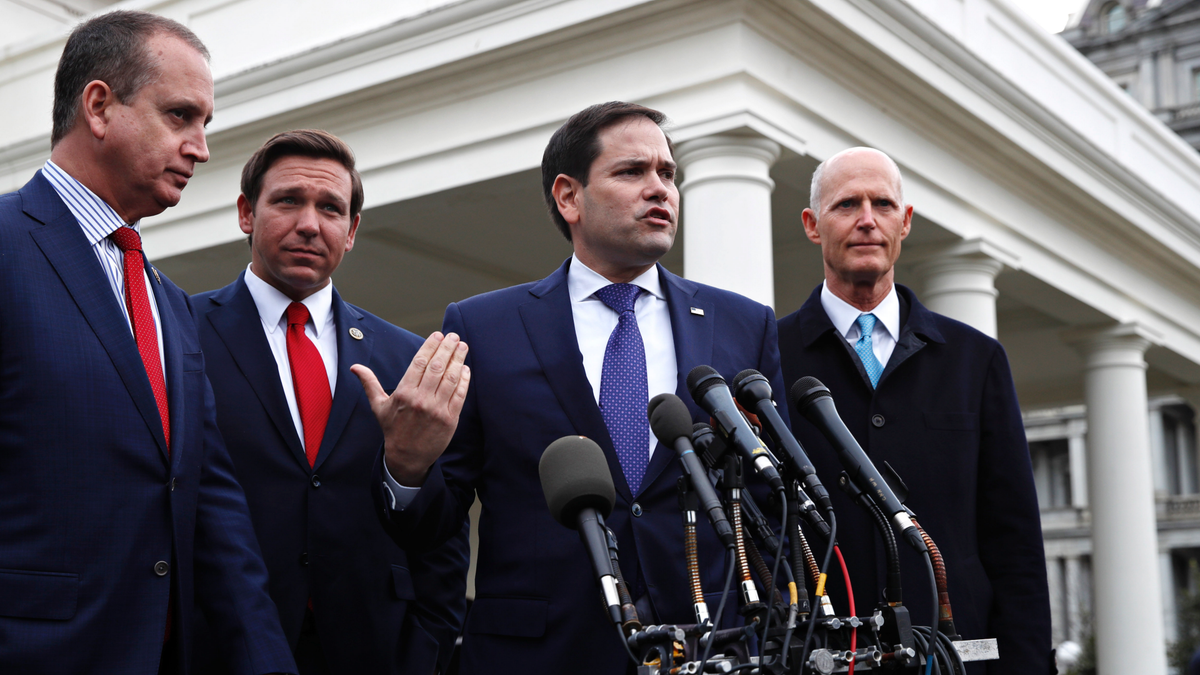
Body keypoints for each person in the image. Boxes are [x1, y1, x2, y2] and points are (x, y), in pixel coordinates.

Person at [357, 101, 788, 674]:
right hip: (541, 652)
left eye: (668, 173)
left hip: (713, 649)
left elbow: (770, 505)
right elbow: (434, 525)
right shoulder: (484, 327)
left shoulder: (744, 324)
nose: (659, 188)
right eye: (632, 172)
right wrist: (407, 466)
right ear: (568, 197)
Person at [0, 11, 294, 675]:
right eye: (181, 116)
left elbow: (211, 504)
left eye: (205, 125)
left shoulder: (169, 303)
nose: (201, 147)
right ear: (100, 106)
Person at [191, 130, 470, 674]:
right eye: (288, 200)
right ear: (247, 213)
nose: (309, 224)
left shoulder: (409, 359)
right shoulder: (177, 332)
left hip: (376, 650)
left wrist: (427, 648)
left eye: (330, 208)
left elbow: (444, 528)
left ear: (352, 231)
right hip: (217, 644)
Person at [775, 147, 1053, 673]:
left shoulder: (977, 359)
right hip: (821, 654)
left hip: (957, 654)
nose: (866, 220)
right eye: (846, 205)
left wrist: (1029, 662)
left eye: (882, 204)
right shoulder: (768, 356)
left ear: (904, 223)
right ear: (813, 225)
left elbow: (1014, 539)